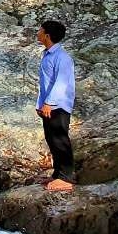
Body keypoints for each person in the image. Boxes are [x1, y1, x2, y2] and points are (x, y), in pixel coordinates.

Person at [36, 19, 76, 192]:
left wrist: (49, 103)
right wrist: (41, 104)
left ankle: (67, 178)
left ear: (47, 35)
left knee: (60, 140)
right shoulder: (48, 54)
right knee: (51, 139)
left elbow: (61, 83)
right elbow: (46, 83)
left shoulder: (62, 57)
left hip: (58, 106)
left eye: (40, 30)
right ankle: (58, 174)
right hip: (49, 105)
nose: (37, 32)